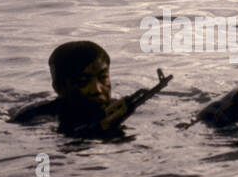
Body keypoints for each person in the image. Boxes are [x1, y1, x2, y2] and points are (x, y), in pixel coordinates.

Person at [12, 40, 170, 137]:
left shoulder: (119, 107)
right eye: (83, 81)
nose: (97, 89)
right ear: (59, 87)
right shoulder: (36, 116)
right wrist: (99, 129)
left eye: (103, 78)